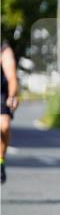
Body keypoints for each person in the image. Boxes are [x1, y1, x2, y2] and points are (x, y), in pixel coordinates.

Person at [1, 41, 19, 185]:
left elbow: (12, 77)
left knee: (5, 126)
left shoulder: (4, 50)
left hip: (1, 94)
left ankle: (1, 160)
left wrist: (12, 96)